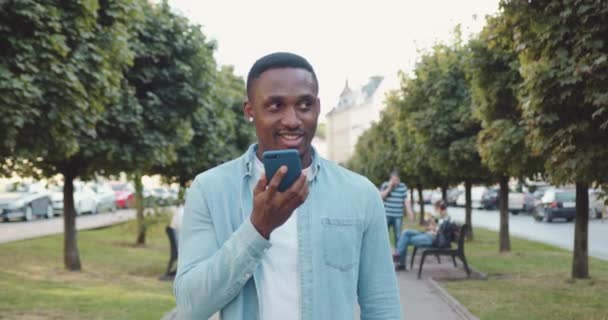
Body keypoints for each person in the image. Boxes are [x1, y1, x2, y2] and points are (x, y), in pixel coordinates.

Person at [174, 52, 402, 319]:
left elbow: (382, 305)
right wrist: (258, 228)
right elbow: (191, 305)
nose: (292, 120)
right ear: (250, 110)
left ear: (318, 107)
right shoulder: (210, 189)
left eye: (304, 105)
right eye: (275, 106)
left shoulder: (361, 194)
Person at [393, 200, 451, 271]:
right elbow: (430, 227)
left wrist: (432, 225)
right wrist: (431, 222)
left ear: (440, 208)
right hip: (427, 234)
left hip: (431, 239)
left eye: (437, 208)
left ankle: (400, 260)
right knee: (406, 232)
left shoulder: (447, 218)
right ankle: (398, 255)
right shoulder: (439, 217)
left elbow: (438, 231)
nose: (436, 210)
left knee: (405, 239)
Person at [379, 172, 414, 245]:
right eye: (394, 180)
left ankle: (398, 254)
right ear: (391, 179)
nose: (396, 182)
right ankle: (384, 253)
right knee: (384, 235)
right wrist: (389, 188)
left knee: (398, 236)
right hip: (386, 215)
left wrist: (410, 212)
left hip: (398, 216)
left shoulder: (402, 186)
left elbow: (406, 201)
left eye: (397, 180)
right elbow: (380, 197)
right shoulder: (385, 185)